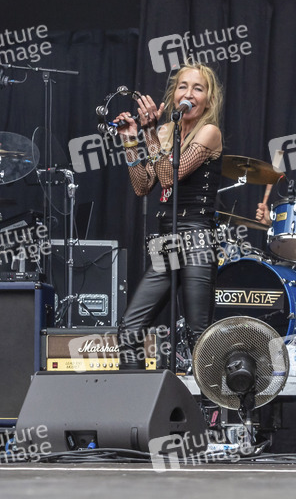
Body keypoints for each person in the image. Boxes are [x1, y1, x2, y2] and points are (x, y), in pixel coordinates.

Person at [113, 61, 224, 369]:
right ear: (174, 94)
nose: (188, 93)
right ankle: (134, 397)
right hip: (167, 241)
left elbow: (167, 177)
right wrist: (130, 140)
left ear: (208, 100)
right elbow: (142, 186)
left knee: (199, 338)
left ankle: (212, 399)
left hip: (198, 238)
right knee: (129, 331)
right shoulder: (164, 132)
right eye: (183, 86)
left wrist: (150, 133)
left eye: (198, 89)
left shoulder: (209, 132)